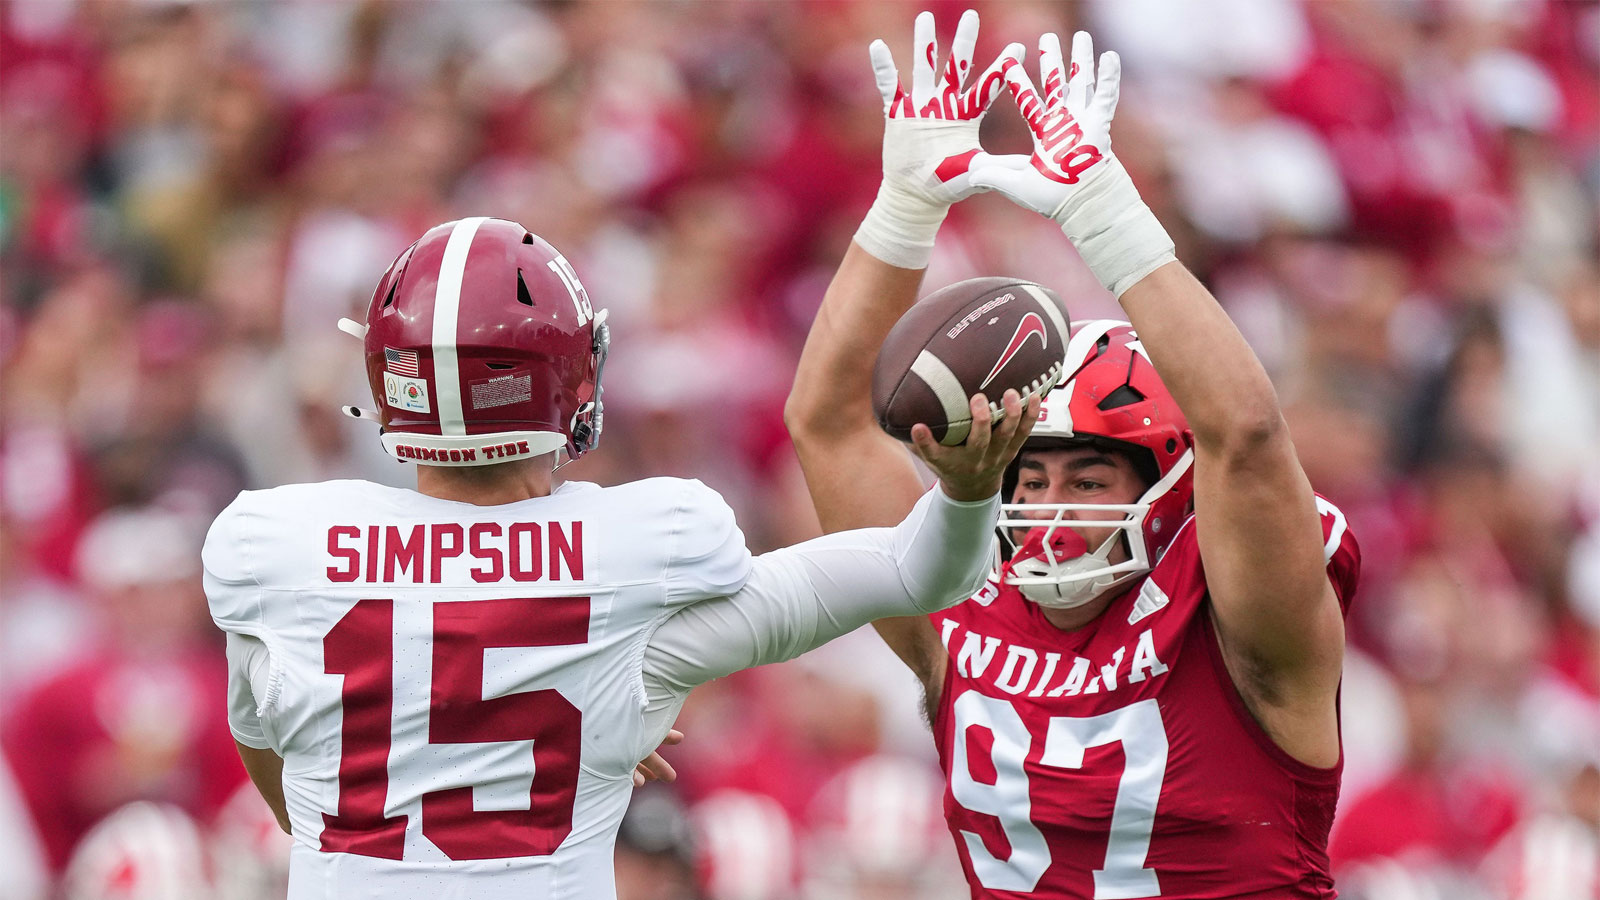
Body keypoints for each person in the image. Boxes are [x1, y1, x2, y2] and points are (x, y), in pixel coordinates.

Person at [202, 216, 1039, 899]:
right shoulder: (642, 552)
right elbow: (921, 571)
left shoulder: (274, 549)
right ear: (572, 377)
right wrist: (971, 488)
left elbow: (271, 752)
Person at [785, 11, 1361, 898]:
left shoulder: (1239, 626)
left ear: (1168, 484)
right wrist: (904, 208)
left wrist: (1103, 214)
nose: (1049, 508)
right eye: (1031, 473)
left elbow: (1244, 434)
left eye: (1089, 477)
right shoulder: (956, 596)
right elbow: (825, 420)